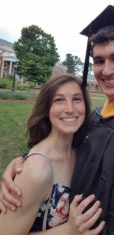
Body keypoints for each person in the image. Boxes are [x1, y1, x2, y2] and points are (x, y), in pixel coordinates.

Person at [1, 4, 114, 235]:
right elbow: (57, 153)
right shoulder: (93, 119)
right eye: (99, 61)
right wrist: (22, 164)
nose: (106, 70)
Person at [0, 74, 105, 235]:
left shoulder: (80, 152)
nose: (70, 109)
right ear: (46, 108)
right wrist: (68, 230)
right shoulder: (37, 169)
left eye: (77, 99)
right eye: (59, 100)